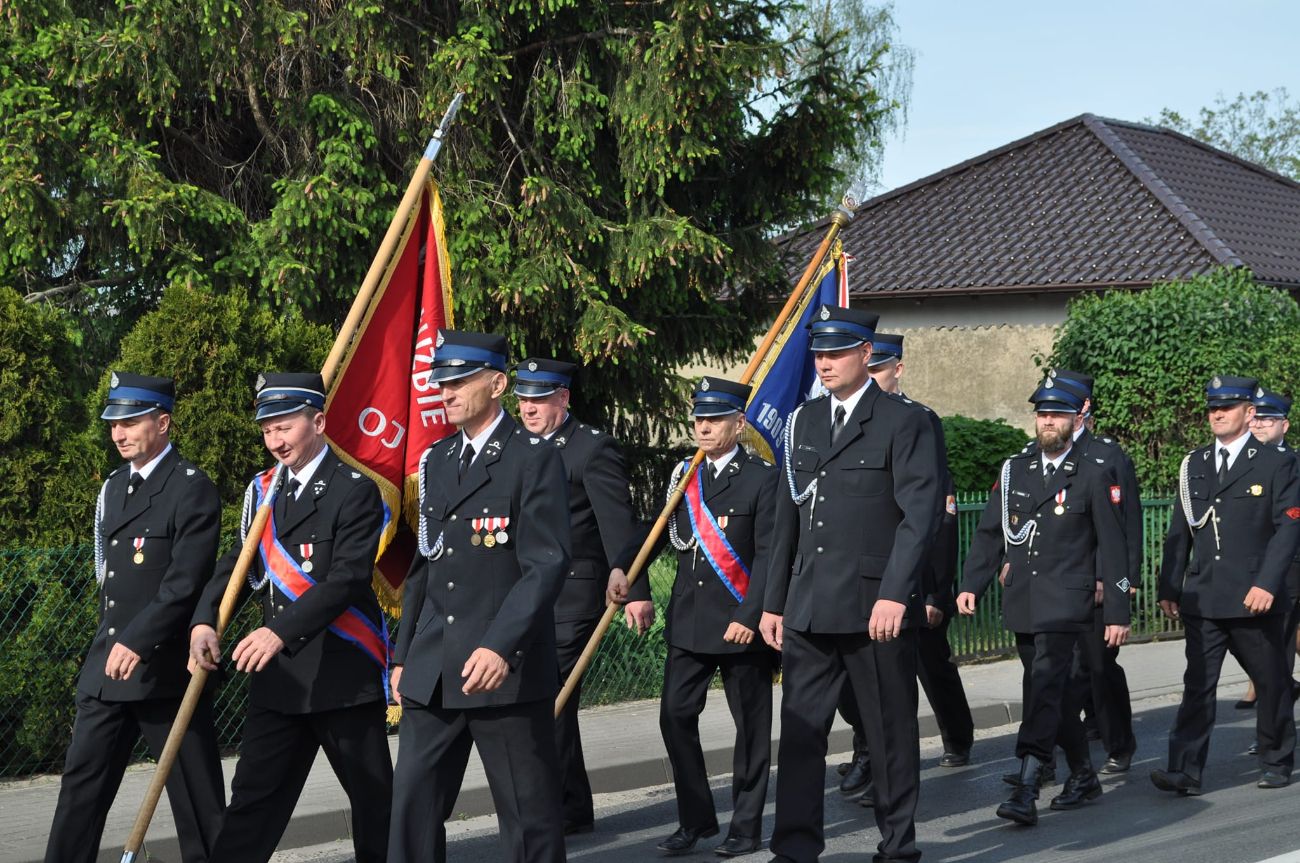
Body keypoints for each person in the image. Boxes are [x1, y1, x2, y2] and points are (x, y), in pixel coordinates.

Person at [760, 304, 940, 863]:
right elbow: (787, 519)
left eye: (836, 352)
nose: (824, 362)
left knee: (888, 733)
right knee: (800, 733)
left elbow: (919, 517)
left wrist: (894, 593)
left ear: (866, 353)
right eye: (819, 352)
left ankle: (897, 846)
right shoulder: (804, 421)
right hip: (810, 606)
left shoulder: (903, 421)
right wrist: (772, 603)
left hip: (872, 609)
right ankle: (794, 848)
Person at [189, 372, 392, 863]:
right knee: (251, 805)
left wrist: (278, 632)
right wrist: (204, 620)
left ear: (318, 422)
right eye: (267, 431)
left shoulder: (354, 490)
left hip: (341, 678)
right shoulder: (264, 492)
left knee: (376, 807)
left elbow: (346, 579)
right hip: (280, 684)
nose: (275, 442)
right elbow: (238, 566)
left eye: (284, 428)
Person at [389, 330, 571, 863]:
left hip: (501, 669)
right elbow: (425, 565)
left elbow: (545, 564)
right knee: (412, 809)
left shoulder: (532, 457)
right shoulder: (438, 459)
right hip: (433, 669)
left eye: (459, 382)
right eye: (440, 383)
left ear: (496, 384)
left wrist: (499, 645)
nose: (445, 392)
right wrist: (402, 655)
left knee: (527, 818)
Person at [46, 373, 224, 863]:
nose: (118, 434)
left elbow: (185, 583)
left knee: (198, 806)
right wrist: (119, 642)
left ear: (162, 423)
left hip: (164, 671)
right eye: (113, 424)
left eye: (130, 423)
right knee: (79, 795)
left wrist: (138, 639)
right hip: (107, 668)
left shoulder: (191, 488)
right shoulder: (112, 488)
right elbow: (108, 577)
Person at [609, 376, 778, 858]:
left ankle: (745, 827)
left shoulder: (762, 478)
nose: (703, 427)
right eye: (699, 419)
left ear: (738, 424)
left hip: (741, 624)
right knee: (675, 717)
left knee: (751, 731)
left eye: (714, 419)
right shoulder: (685, 474)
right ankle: (696, 819)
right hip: (690, 622)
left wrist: (751, 614)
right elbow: (655, 530)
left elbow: (771, 555)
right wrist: (625, 569)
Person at [958, 376, 1129, 826]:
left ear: (1076, 418)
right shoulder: (1016, 469)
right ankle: (1084, 775)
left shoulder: (1093, 472)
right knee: (1053, 692)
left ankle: (1028, 783)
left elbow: (1113, 548)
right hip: (1024, 600)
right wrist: (972, 583)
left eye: (1057, 414)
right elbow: (991, 533)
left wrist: (1117, 610)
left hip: (1068, 602)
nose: (1048, 421)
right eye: (1042, 414)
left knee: (1046, 685)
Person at [1154, 376, 1300, 794]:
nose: (1217, 414)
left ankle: (1276, 758)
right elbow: (1181, 529)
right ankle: (1185, 769)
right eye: (1212, 408)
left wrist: (1267, 583)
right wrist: (1170, 585)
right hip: (1204, 595)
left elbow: (1288, 527)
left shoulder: (1275, 462)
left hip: (1255, 597)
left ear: (1249, 413)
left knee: (1271, 679)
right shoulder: (1195, 464)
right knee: (1198, 684)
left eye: (1227, 407)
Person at [513, 357, 640, 836]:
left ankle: (561, 807)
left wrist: (634, 589)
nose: (528, 408)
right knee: (538, 697)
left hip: (572, 594)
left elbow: (618, 524)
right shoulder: (517, 447)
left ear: (563, 398)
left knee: (553, 695)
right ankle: (570, 803)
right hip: (524, 594)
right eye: (523, 399)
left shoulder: (590, 448)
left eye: (539, 398)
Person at [1043, 369, 1141, 775]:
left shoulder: (1106, 455)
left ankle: (1120, 743)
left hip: (1098, 583)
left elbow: (1125, 525)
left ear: (1082, 407)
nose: (1051, 415)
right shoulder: (1042, 453)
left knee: (1098, 666)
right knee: (1057, 669)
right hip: (1056, 583)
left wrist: (1120, 581)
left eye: (1063, 405)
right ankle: (1048, 753)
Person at [1236, 389, 1300, 719]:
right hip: (1248, 569)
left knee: (1278, 646)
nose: (1259, 425)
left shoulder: (1292, 463)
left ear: (1284, 425)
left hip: (1287, 568)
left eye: (1268, 419)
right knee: (1257, 645)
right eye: (1255, 418)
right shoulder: (1240, 463)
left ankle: (1275, 732)